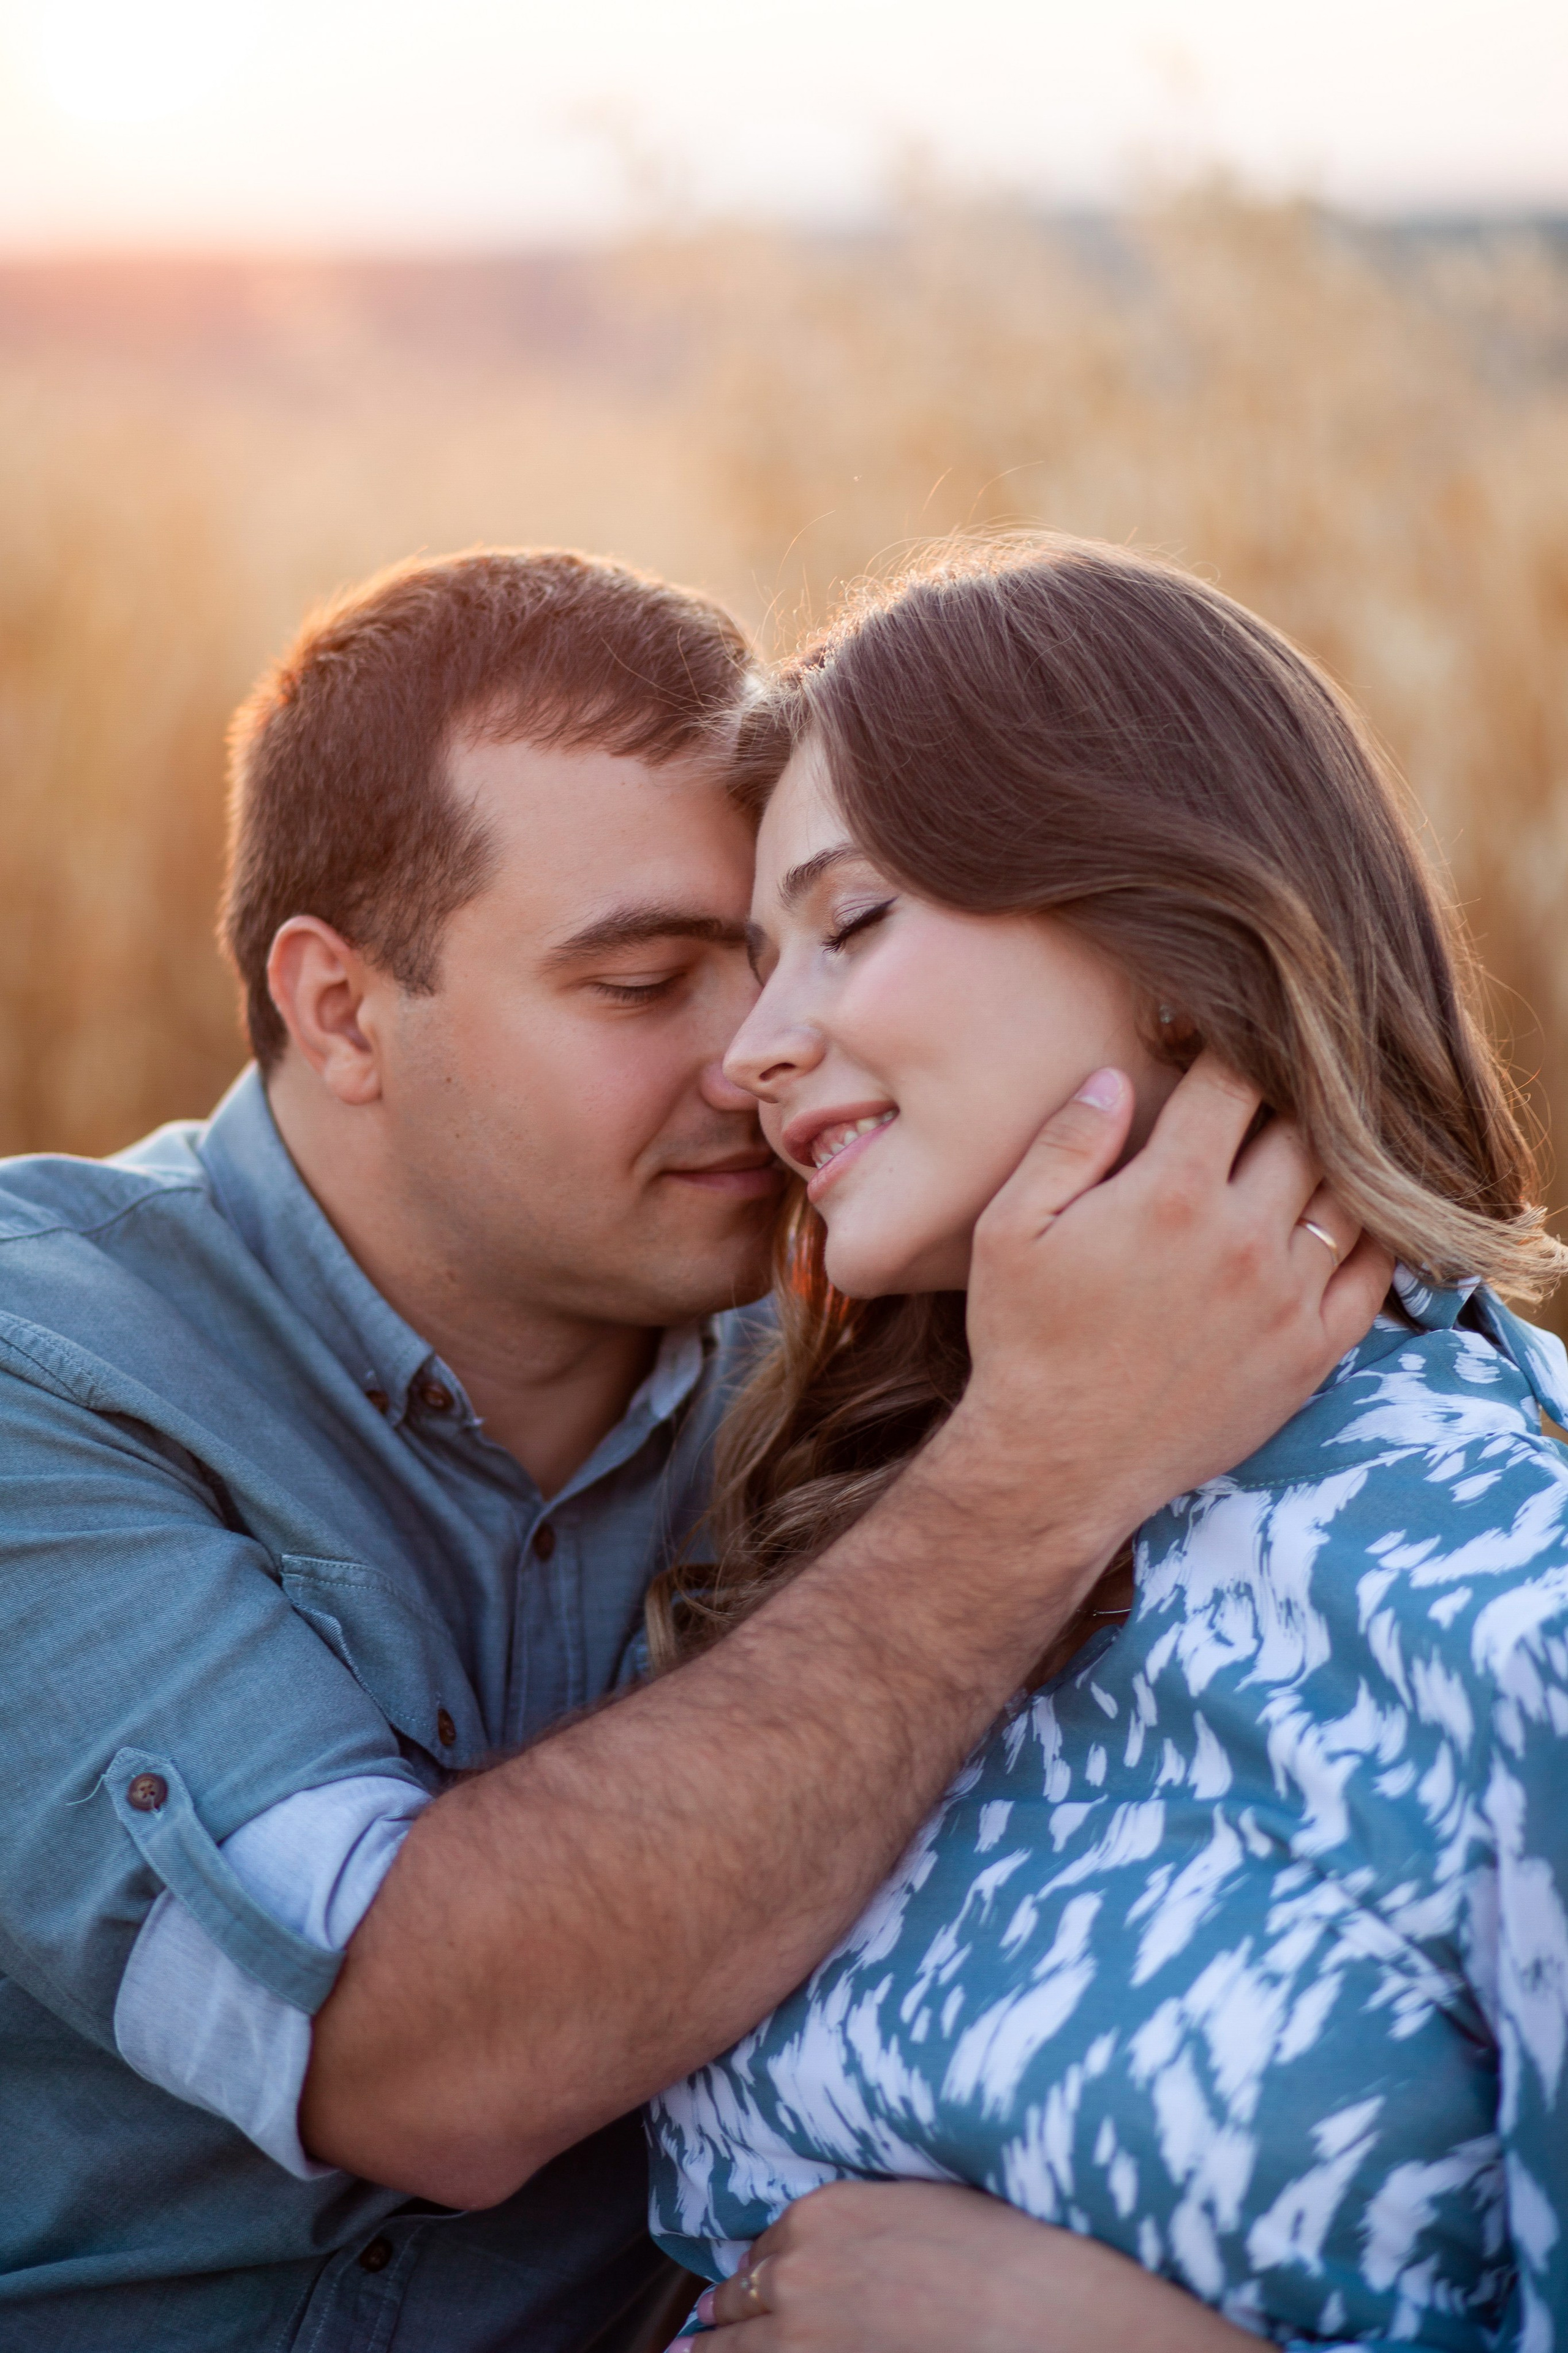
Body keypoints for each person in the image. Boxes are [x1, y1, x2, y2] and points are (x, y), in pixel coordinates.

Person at [0, 546, 1379, 2353]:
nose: (761, 1054)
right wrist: (1034, 1475)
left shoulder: (894, 1346)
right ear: (339, 1008)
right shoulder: (54, 1367)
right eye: (648, 982)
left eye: (798, 948)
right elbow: (412, 2060)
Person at [647, 536, 1568, 2351]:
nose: (753, 1049)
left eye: (851, 921)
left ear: (1163, 931)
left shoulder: (1512, 1576)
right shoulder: (855, 1513)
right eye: (758, 963)